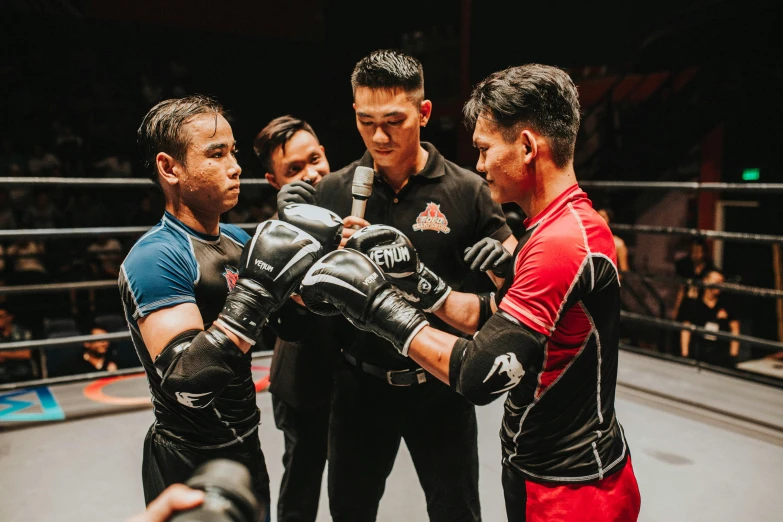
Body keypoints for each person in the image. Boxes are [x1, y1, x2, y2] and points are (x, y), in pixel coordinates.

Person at [301, 63, 641, 521]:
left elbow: (482, 373)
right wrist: (420, 282)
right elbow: (498, 316)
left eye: (483, 149)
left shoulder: (559, 242)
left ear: (526, 147)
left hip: (570, 479)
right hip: (539, 464)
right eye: (367, 121)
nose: (479, 163)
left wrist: (378, 304)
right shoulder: (550, 231)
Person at [303, 49, 516, 522]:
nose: (378, 136)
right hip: (359, 385)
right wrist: (326, 261)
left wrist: (506, 260)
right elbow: (306, 301)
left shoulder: (467, 189)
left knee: (457, 513)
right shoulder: (334, 191)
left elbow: (518, 276)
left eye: (394, 121)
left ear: (423, 113)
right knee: (349, 514)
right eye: (365, 121)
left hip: (440, 388)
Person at [120, 94, 324, 518]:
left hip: (245, 443)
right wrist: (257, 290)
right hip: (186, 457)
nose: (234, 166)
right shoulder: (156, 257)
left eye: (232, 151)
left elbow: (288, 327)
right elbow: (189, 383)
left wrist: (318, 286)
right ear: (169, 168)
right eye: (216, 154)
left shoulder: (237, 241)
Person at [251, 115, 339, 522]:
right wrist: (291, 222)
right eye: (295, 170)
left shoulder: (354, 202)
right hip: (303, 380)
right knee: (302, 482)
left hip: (359, 380)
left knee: (354, 485)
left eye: (315, 159)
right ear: (275, 182)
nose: (312, 174)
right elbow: (278, 312)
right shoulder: (271, 235)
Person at [679, 269, 741, 365]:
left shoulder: (727, 302)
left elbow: (735, 329)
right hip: (698, 351)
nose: (719, 285)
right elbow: (686, 328)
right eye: (716, 282)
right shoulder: (695, 303)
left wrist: (733, 355)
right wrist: (685, 354)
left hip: (720, 354)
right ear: (706, 281)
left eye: (721, 282)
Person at [672, 238, 716, 320]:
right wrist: (676, 309)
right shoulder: (687, 266)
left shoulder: (709, 269)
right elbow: (681, 289)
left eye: (698, 252)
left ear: (704, 252)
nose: (695, 255)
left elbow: (712, 294)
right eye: (693, 252)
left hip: (702, 307)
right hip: (687, 304)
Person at [597, 207, 629, 275]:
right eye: (597, 216)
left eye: (603, 217)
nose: (599, 219)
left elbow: (623, 270)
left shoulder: (618, 243)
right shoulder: (588, 240)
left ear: (609, 220)